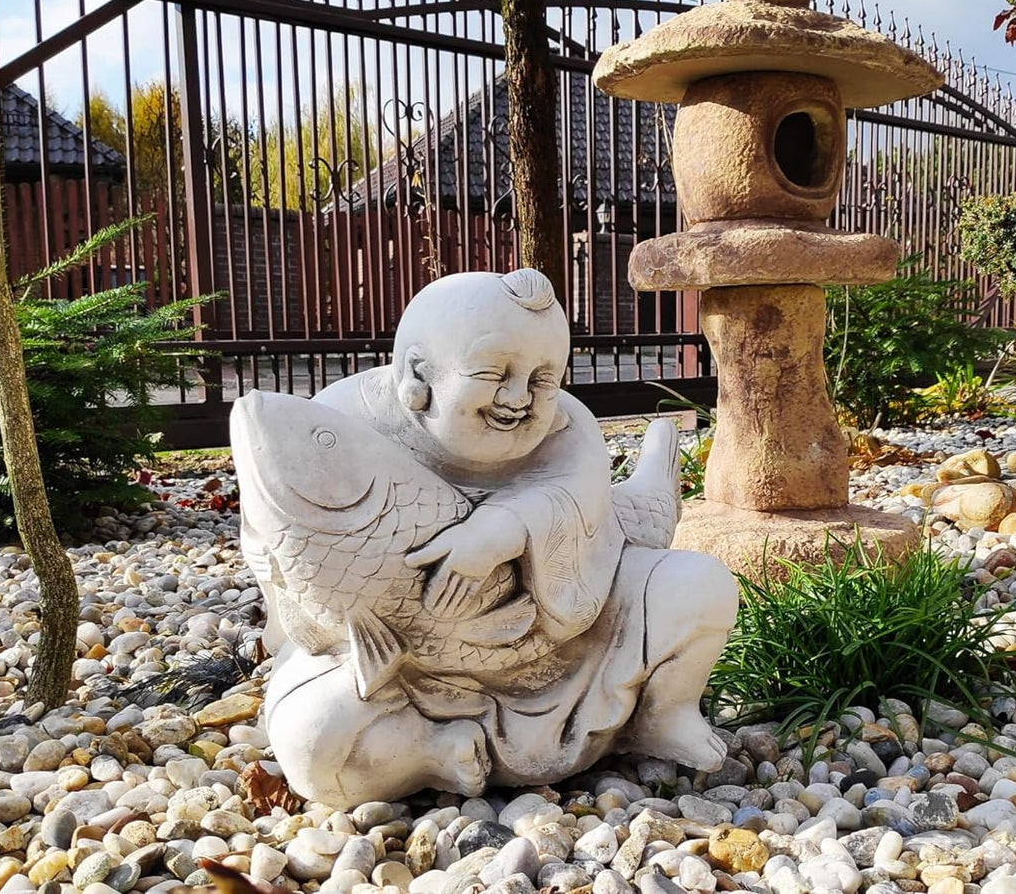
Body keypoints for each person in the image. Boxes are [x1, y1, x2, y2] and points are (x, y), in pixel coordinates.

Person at [256, 269, 737, 806]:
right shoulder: (339, 427)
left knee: (703, 586)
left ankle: (661, 711)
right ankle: (435, 749)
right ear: (418, 372)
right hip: (405, 675)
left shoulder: (566, 427)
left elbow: (580, 503)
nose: (519, 397)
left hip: (570, 652)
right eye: (493, 372)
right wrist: (303, 622)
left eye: (543, 378)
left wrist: (503, 529)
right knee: (311, 741)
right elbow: (282, 538)